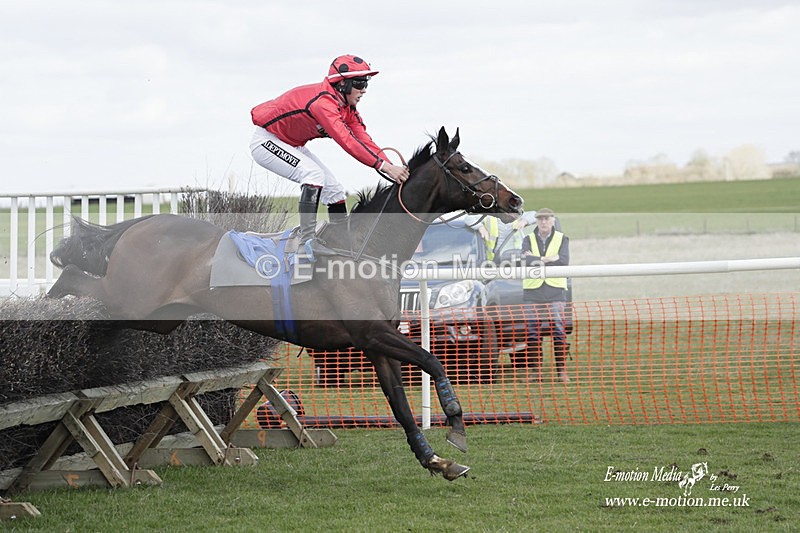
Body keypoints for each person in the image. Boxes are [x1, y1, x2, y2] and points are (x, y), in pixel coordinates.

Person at [249, 54, 409, 254]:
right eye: (359, 83)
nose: (364, 90)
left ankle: (342, 244)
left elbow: (364, 140)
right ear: (342, 84)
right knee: (313, 175)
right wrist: (384, 167)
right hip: (267, 142)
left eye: (366, 83)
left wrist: (392, 168)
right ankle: (306, 242)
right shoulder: (323, 104)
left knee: (335, 192)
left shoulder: (347, 109)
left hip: (292, 144)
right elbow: (348, 142)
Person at [520, 208, 571, 383]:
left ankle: (562, 372)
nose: (543, 222)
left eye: (546, 219)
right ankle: (536, 373)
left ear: (553, 220)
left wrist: (537, 258)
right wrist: (549, 259)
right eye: (540, 219)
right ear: (536, 221)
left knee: (558, 330)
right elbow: (525, 261)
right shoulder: (528, 239)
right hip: (533, 292)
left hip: (555, 290)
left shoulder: (562, 238)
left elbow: (564, 260)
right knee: (532, 332)